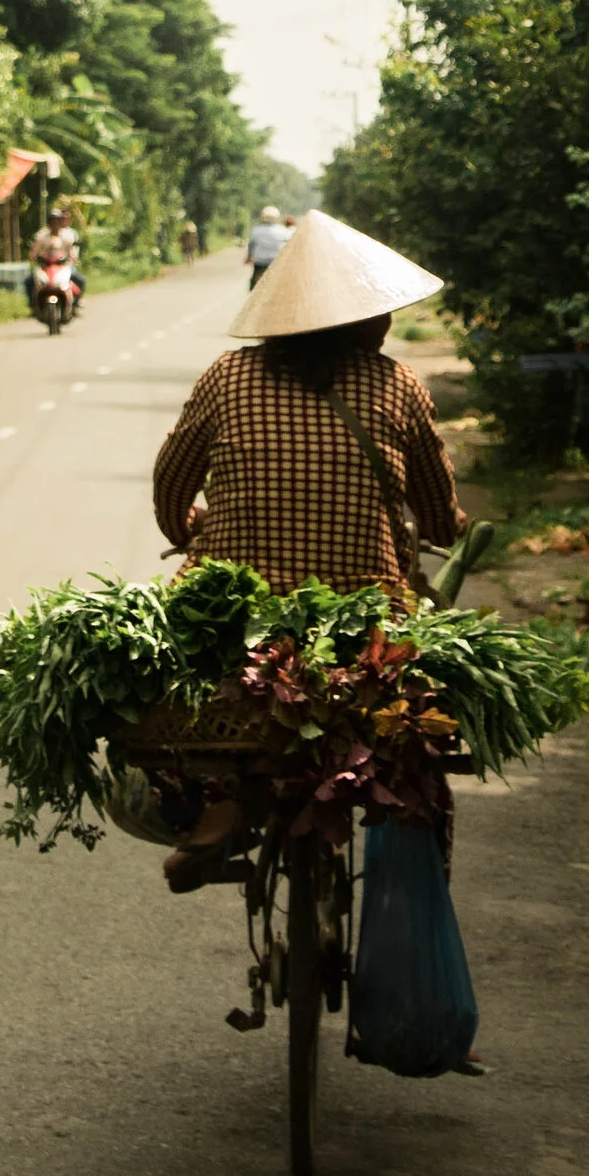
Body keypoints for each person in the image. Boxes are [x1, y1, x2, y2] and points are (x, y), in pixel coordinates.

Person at [141, 208, 466, 891]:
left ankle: (218, 810)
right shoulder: (397, 385)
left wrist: (183, 528)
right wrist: (449, 524)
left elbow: (172, 480)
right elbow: (436, 512)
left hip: (235, 619)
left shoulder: (229, 377)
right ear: (369, 321)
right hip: (368, 618)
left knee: (158, 684)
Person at [243, 203, 290, 288]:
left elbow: (251, 246)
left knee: (255, 286)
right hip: (277, 262)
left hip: (260, 263)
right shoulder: (283, 231)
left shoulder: (256, 230)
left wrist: (249, 257)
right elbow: (289, 246)